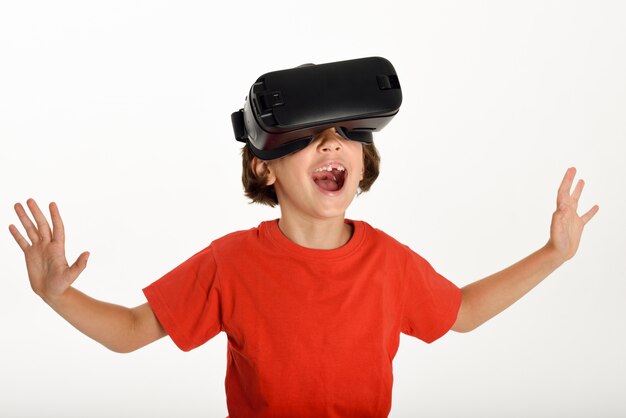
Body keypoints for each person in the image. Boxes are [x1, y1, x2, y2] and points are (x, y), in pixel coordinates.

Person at [10, 110, 599, 416]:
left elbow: (462, 313)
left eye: (347, 134)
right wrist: (57, 295)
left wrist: (555, 254)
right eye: (311, 136)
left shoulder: (388, 262)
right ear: (265, 168)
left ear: (363, 165)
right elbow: (133, 331)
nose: (332, 144)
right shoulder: (231, 262)